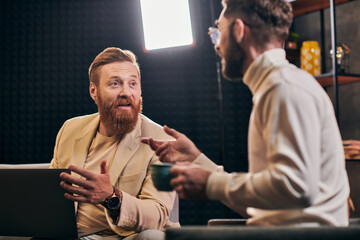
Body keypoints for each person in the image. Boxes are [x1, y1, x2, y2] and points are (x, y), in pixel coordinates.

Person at [141, 0, 350, 226]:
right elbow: (264, 201)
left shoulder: (282, 88)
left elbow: (295, 188)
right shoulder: (277, 85)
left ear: (239, 30)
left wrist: (211, 183)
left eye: (218, 32)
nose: (217, 45)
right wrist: (196, 160)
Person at [50, 47, 179, 240]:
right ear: (94, 91)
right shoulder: (70, 129)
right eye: (115, 84)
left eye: (133, 83)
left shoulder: (163, 141)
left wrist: (111, 197)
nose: (126, 92)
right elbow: (52, 192)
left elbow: (157, 214)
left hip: (125, 236)